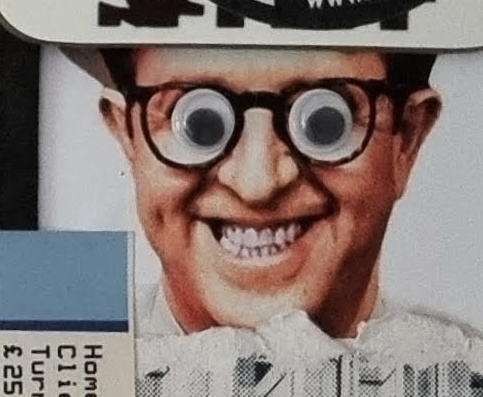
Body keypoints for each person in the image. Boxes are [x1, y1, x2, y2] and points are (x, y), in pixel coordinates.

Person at [95, 45, 444, 343]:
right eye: (199, 124)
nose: (257, 186)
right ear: (128, 137)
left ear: (407, 140)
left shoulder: (468, 372)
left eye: (327, 123)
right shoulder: (86, 358)